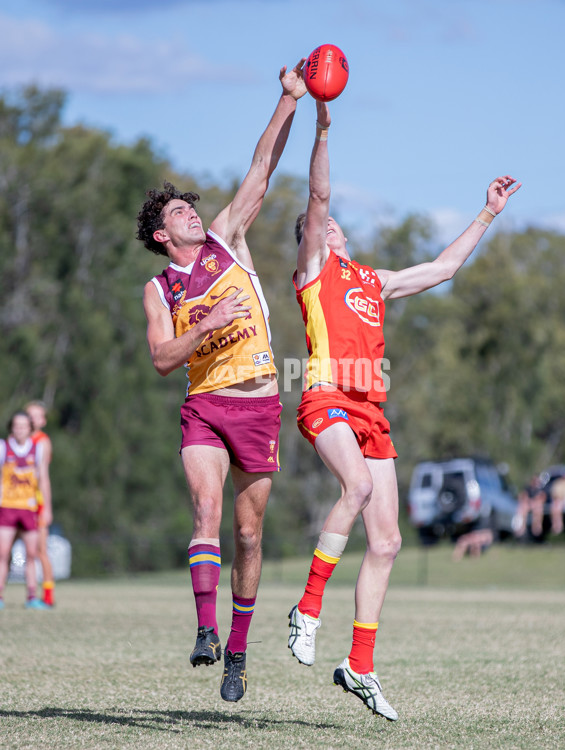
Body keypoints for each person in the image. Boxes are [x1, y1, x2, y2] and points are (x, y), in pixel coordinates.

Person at [287, 97, 521, 721]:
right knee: (356, 488)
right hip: (326, 396)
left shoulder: (373, 279)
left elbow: (444, 269)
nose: (330, 225)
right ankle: (307, 608)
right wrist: (323, 127)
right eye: (322, 223)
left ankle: (358, 665)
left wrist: (487, 214)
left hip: (372, 412)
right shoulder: (313, 270)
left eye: (334, 224)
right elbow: (317, 194)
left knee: (387, 544)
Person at [136, 60, 306, 703]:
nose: (191, 212)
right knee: (206, 512)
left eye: (191, 207)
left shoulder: (228, 239)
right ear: (162, 234)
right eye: (180, 211)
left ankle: (238, 650)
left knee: (248, 534)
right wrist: (206, 324)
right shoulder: (158, 289)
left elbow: (261, 170)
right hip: (205, 406)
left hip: (259, 405)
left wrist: (288, 101)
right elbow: (161, 359)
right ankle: (207, 633)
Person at [0, 411, 51, 609]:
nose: (20, 429)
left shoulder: (38, 448)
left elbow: (43, 478)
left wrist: (46, 507)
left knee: (32, 554)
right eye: (17, 426)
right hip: (7, 507)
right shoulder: (3, 448)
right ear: (11, 427)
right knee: (3, 553)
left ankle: (32, 597)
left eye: (24, 426)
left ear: (30, 428)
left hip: (29, 508)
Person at [25, 400, 55, 606]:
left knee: (40, 551)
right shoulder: (17, 441)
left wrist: (48, 507)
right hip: (16, 501)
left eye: (37, 415)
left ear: (43, 421)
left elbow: (44, 477)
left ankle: (47, 595)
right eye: (29, 414)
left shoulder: (42, 441)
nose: (32, 419)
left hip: (36, 502)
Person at [514, 474, 546, 539]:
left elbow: (542, 498)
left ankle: (537, 528)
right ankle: (521, 528)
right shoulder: (528, 488)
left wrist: (534, 501)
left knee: (538, 508)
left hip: (536, 505)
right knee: (522, 508)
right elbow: (523, 496)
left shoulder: (541, 489)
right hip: (529, 504)